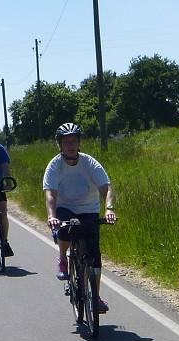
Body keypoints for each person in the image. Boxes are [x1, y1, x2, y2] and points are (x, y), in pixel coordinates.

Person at [43, 122, 117, 313]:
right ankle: (63, 259)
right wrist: (52, 216)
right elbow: (50, 194)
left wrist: (109, 209)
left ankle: (96, 297)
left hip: (89, 208)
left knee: (94, 255)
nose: (70, 145)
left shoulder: (90, 162)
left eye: (74, 141)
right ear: (59, 144)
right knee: (65, 229)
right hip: (65, 207)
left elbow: (106, 188)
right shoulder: (55, 165)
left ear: (79, 143)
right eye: (66, 142)